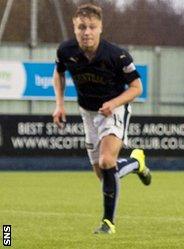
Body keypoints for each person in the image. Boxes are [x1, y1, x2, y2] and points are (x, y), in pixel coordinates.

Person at [52, 3, 152, 234]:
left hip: (114, 109)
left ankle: (108, 223)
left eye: (91, 27)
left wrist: (114, 103)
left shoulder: (117, 55)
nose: (86, 32)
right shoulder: (65, 50)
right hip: (88, 112)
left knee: (108, 162)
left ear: (100, 28)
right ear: (74, 28)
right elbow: (58, 73)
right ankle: (137, 163)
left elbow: (137, 87)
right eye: (81, 27)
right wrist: (59, 105)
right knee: (103, 174)